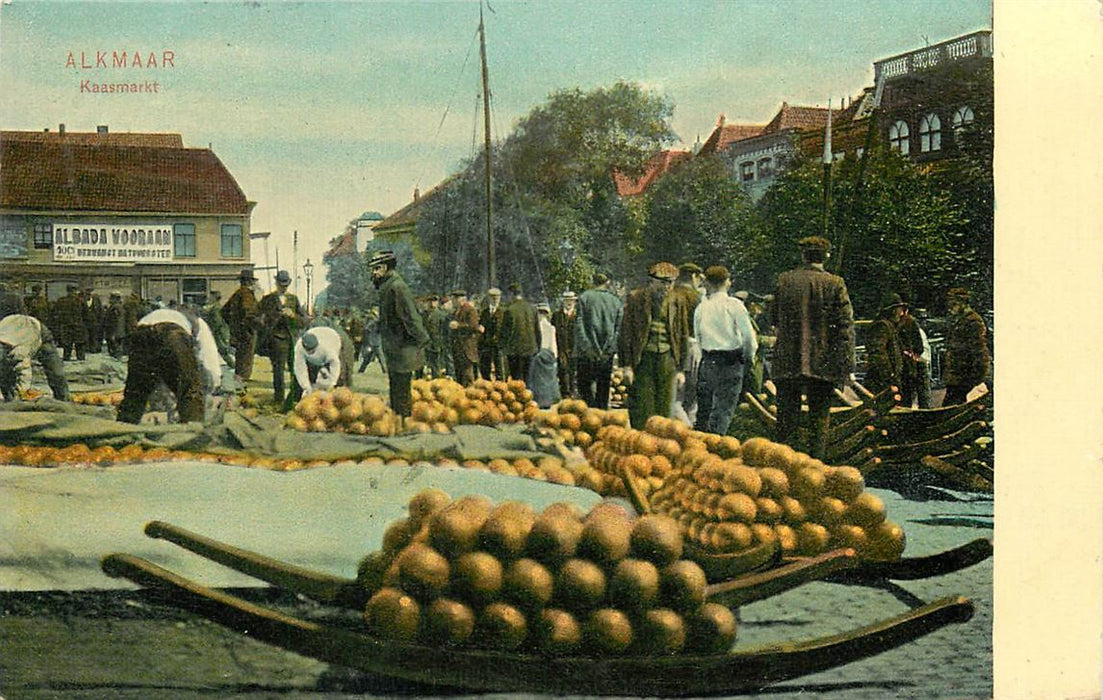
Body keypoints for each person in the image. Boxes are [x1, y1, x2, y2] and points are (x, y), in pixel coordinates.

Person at [772, 236, 855, 459]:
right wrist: (846, 366)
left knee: (786, 424)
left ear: (803, 255)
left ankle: (783, 475)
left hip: (787, 362)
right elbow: (845, 328)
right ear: (826, 256)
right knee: (819, 424)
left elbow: (774, 320)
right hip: (822, 364)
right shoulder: (836, 284)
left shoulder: (784, 281)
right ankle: (815, 475)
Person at [116, 306, 221, 424]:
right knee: (190, 389)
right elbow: (208, 357)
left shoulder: (160, 314)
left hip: (140, 335)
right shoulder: (200, 325)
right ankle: (192, 433)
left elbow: (158, 371)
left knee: (135, 392)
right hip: (172, 335)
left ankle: (123, 430)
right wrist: (213, 384)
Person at [618, 262, 692, 429]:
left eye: (671, 282)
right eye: (663, 282)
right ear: (651, 281)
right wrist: (627, 366)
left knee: (665, 408)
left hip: (668, 359)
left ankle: (661, 446)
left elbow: (683, 335)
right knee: (643, 406)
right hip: (643, 359)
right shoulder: (636, 298)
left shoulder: (678, 300)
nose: (667, 286)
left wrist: (681, 369)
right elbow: (625, 334)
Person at [693, 266, 757, 435]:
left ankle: (697, 450)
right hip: (730, 362)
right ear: (727, 282)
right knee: (723, 410)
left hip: (707, 361)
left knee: (704, 410)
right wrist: (749, 358)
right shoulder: (734, 305)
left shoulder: (702, 307)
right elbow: (749, 337)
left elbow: (698, 338)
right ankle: (717, 447)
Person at [371, 250, 430, 419]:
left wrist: (423, 340)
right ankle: (399, 421)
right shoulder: (388, 286)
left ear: (385, 267)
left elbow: (410, 317)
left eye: (377, 268)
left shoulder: (397, 286)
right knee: (397, 387)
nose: (374, 273)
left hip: (403, 347)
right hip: (396, 347)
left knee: (401, 390)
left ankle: (404, 423)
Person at [258, 270, 308, 407]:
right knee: (278, 371)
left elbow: (304, 321)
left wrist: (292, 316)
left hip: (292, 340)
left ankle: (295, 397)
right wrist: (270, 320)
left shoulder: (293, 299)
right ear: (276, 283)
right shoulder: (267, 299)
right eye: (281, 284)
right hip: (276, 340)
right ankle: (278, 399)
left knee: (296, 370)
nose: (283, 287)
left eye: (286, 285)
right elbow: (257, 318)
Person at [575, 272, 622, 409]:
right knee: (604, 386)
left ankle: (589, 414)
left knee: (584, 385)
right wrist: (610, 349)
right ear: (607, 282)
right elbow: (618, 330)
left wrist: (587, 348)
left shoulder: (584, 298)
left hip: (586, 352)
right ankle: (600, 416)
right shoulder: (616, 301)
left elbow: (579, 326)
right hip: (607, 352)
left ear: (592, 281)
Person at [0, 314, 70, 402]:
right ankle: (9, 399)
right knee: (5, 374)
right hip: (17, 326)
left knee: (55, 371)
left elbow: (24, 372)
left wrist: (23, 392)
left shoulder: (18, 350)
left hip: (39, 332)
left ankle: (63, 398)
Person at [942, 287, 990, 406]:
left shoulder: (973, 322)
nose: (950, 308)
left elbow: (979, 352)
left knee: (954, 409)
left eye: (954, 304)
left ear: (963, 303)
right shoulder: (960, 320)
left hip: (964, 379)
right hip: (956, 377)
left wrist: (976, 380)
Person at [671, 262, 704, 422]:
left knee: (676, 396)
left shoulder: (670, 294)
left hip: (671, 347)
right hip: (693, 346)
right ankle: (690, 430)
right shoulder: (696, 297)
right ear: (693, 276)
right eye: (699, 278)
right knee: (691, 398)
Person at [863, 292, 906, 398]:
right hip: (882, 383)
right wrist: (889, 376)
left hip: (887, 381)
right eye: (900, 310)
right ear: (893, 310)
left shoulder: (888, 326)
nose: (901, 314)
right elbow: (878, 354)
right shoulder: (882, 326)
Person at [221, 269, 261, 384]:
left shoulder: (237, 294)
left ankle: (239, 380)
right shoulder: (247, 294)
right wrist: (252, 326)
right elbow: (249, 313)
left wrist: (234, 325)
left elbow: (223, 312)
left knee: (240, 358)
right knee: (246, 358)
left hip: (238, 332)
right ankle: (242, 385)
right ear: (250, 282)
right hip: (247, 333)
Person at [293, 326, 353, 395]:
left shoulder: (327, 348)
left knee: (342, 378)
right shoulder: (298, 348)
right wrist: (306, 387)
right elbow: (300, 369)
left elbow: (335, 364)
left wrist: (333, 383)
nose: (310, 352)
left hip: (338, 339)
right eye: (308, 351)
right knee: (305, 384)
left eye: (313, 350)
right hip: (319, 334)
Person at [499, 283, 540, 382]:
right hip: (530, 348)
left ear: (511, 294)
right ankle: (528, 395)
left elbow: (505, 331)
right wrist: (537, 346)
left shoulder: (509, 310)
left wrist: (502, 347)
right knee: (528, 377)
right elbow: (537, 330)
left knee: (516, 379)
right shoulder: (532, 308)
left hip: (514, 349)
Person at [528, 302, 561, 408]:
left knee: (542, 379)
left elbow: (552, 343)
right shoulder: (546, 327)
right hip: (542, 354)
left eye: (543, 313)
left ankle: (543, 400)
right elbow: (553, 345)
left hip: (543, 354)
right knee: (542, 380)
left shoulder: (549, 328)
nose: (541, 315)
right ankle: (543, 400)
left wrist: (554, 356)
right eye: (540, 313)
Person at [448, 289, 481, 386]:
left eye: (454, 299)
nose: (453, 302)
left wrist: (458, 325)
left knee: (468, 375)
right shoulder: (456, 311)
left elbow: (474, 326)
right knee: (459, 374)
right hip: (458, 347)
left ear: (461, 299)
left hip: (467, 347)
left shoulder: (470, 310)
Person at [551, 290, 578, 399]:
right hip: (561, 346)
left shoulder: (578, 316)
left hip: (574, 348)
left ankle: (572, 391)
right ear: (563, 301)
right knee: (563, 369)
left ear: (574, 302)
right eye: (567, 300)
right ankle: (565, 393)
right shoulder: (556, 315)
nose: (569, 302)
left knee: (573, 370)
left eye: (571, 300)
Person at [53, 284, 88, 361]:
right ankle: (81, 361)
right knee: (80, 346)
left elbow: (56, 314)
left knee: (67, 346)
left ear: (67, 290)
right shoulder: (81, 301)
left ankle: (67, 360)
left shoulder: (61, 301)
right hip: (78, 327)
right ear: (75, 290)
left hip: (66, 327)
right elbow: (86, 315)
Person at [201, 290, 234, 367]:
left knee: (223, 350)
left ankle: (233, 366)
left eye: (210, 297)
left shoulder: (216, 308)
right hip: (217, 332)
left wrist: (211, 330)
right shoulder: (213, 307)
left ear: (215, 298)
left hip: (219, 333)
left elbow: (217, 322)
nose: (208, 299)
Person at [478, 287, 505, 381]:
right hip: (487, 344)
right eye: (492, 297)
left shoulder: (504, 312)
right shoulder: (484, 313)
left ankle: (500, 386)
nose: (495, 299)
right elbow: (481, 325)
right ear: (488, 298)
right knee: (485, 367)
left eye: (497, 297)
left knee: (500, 367)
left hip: (499, 344)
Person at [423, 295, 450, 379]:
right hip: (426, 343)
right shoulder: (424, 314)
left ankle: (437, 379)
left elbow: (445, 331)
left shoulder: (442, 315)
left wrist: (443, 342)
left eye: (434, 301)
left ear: (437, 303)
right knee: (427, 363)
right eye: (430, 301)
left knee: (436, 363)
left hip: (437, 342)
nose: (432, 303)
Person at [358, 307, 387, 373]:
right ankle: (384, 370)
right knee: (375, 358)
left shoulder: (375, 322)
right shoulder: (373, 322)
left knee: (377, 358)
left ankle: (361, 370)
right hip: (374, 342)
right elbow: (367, 330)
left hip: (375, 342)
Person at [102, 292, 127, 359]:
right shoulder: (120, 307)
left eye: (111, 298)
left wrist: (113, 333)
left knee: (114, 349)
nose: (109, 300)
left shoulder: (115, 308)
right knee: (116, 348)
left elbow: (115, 321)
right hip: (118, 331)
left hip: (114, 331)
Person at [83, 288, 104, 354]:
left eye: (89, 294)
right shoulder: (82, 301)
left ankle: (93, 349)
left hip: (95, 322)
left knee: (94, 336)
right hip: (85, 322)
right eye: (87, 294)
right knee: (86, 336)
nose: (88, 296)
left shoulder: (96, 301)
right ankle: (87, 348)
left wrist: (99, 321)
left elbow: (101, 311)